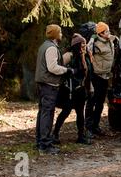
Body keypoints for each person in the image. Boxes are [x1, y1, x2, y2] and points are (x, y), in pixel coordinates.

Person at [35, 24, 73, 154]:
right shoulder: (51, 48)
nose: (61, 35)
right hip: (49, 85)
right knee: (47, 113)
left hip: (43, 84)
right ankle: (45, 144)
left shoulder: (44, 46)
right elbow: (52, 67)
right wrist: (66, 70)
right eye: (60, 33)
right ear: (56, 35)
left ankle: (40, 141)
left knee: (42, 112)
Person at [53, 33, 93, 145]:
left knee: (80, 113)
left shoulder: (86, 56)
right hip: (69, 90)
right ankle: (55, 134)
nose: (84, 45)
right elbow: (59, 68)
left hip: (81, 89)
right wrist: (69, 71)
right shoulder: (69, 55)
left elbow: (88, 74)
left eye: (85, 43)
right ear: (76, 45)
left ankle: (81, 136)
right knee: (65, 112)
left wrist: (89, 88)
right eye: (82, 43)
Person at [85, 22, 117, 138]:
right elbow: (86, 50)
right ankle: (88, 128)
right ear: (101, 34)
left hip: (106, 76)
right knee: (92, 102)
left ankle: (96, 126)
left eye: (108, 31)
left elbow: (114, 40)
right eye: (106, 31)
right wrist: (93, 38)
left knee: (100, 103)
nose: (109, 33)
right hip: (96, 76)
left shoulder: (110, 41)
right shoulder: (95, 44)